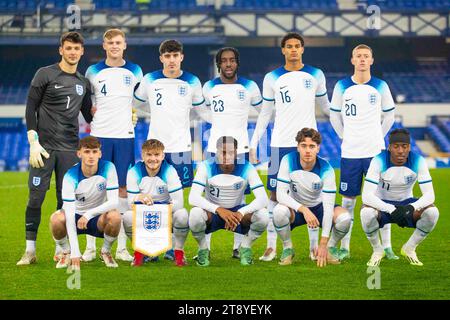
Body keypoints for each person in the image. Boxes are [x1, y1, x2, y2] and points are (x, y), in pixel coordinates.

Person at [249, 32, 330, 262]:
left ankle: (314, 247)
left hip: (307, 143)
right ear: (283, 50)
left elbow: (326, 106)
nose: (293, 49)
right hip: (280, 143)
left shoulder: (316, 75)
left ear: (302, 49)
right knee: (275, 194)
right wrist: (254, 142)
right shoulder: (271, 78)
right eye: (289, 46)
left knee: (313, 193)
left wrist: (348, 124)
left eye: (297, 46)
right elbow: (265, 112)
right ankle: (272, 246)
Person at [17, 31, 93, 265]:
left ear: (82, 52)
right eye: (68, 48)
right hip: (44, 148)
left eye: (76, 49)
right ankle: (30, 251)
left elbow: (90, 116)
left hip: (70, 149)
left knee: (66, 201)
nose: (72, 52)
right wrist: (33, 141)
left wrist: (125, 117)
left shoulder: (83, 82)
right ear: (61, 50)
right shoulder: (45, 74)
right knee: (35, 198)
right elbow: (31, 108)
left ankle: (62, 247)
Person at [133, 39, 210, 261]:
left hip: (181, 148)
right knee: (152, 196)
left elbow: (203, 111)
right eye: (167, 56)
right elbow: (136, 103)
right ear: (161, 58)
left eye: (175, 55)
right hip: (155, 149)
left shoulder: (192, 81)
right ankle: (152, 247)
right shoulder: (150, 79)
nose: (171, 60)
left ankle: (173, 248)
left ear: (181, 57)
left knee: (177, 201)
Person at [329, 44, 396, 260]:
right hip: (350, 153)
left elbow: (390, 117)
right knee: (348, 202)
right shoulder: (341, 86)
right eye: (358, 56)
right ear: (352, 60)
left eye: (366, 56)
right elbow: (333, 117)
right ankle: (345, 248)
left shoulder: (381, 86)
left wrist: (378, 136)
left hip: (375, 153)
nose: (362, 59)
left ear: (372, 60)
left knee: (381, 200)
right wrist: (344, 137)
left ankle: (387, 247)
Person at [83, 28, 143, 263]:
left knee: (122, 191)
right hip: (99, 135)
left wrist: (135, 113)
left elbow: (138, 101)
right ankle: (89, 246)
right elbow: (88, 102)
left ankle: (119, 248)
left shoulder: (135, 71)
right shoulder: (93, 71)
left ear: (125, 45)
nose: (115, 46)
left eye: (119, 42)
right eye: (111, 43)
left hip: (125, 137)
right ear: (104, 46)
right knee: (93, 188)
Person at [202, 47, 263, 259]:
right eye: (224, 61)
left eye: (232, 60)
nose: (228, 64)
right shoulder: (208, 87)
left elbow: (262, 112)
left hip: (241, 149)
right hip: (214, 149)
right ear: (219, 64)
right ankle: (205, 249)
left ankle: (238, 247)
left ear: (237, 63)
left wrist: (253, 142)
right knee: (210, 195)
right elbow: (202, 111)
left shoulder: (250, 87)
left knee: (240, 198)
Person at [273, 128, 351, 266]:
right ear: (297, 147)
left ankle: (330, 249)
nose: (307, 150)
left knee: (345, 219)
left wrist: (323, 243)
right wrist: (303, 209)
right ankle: (287, 248)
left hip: (319, 208)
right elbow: (280, 195)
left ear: (318, 148)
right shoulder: (288, 160)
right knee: (278, 212)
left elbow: (327, 208)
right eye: (303, 146)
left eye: (312, 146)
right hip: (296, 208)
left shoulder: (326, 169)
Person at [361, 129, 438, 267]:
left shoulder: (418, 161)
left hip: (407, 203)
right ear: (389, 147)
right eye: (396, 146)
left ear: (409, 147)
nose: (401, 150)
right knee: (366, 213)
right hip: (382, 203)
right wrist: (391, 209)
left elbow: (430, 195)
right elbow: (366, 196)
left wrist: (410, 208)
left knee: (432, 213)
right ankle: (378, 251)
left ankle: (409, 248)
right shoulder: (378, 160)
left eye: (404, 146)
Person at [188, 136, 269, 267]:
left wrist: (242, 212)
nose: (227, 156)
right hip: (213, 214)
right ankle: (203, 249)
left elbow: (263, 199)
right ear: (216, 152)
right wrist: (219, 210)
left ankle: (245, 248)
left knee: (263, 215)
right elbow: (193, 198)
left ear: (236, 152)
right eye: (223, 152)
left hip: (237, 215)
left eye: (231, 152)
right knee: (194, 214)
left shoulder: (247, 167)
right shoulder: (206, 166)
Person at [49, 136, 122, 270]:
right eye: (87, 152)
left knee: (115, 217)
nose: (91, 156)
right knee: (56, 219)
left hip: (95, 217)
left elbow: (113, 202)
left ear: (100, 154)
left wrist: (89, 214)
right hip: (75, 216)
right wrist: (76, 252)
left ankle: (105, 251)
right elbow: (70, 215)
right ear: (79, 153)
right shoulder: (70, 176)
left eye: (94, 152)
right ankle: (66, 252)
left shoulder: (108, 168)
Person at [123, 139, 189, 267]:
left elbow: (179, 203)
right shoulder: (133, 172)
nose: (153, 159)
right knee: (127, 217)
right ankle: (142, 251)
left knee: (182, 214)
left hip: (165, 215)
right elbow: (130, 204)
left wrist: (156, 207)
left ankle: (178, 251)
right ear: (142, 155)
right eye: (149, 154)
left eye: (157, 155)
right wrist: (138, 198)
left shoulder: (170, 171)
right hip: (145, 216)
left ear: (163, 156)